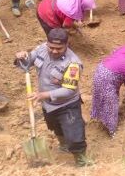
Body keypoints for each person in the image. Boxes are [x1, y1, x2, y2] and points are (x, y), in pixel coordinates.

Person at [14, 28, 92, 167]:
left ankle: (81, 160)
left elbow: (69, 90)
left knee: (74, 135)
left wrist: (44, 95)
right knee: (55, 127)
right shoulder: (42, 49)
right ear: (47, 43)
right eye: (52, 47)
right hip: (48, 105)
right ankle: (64, 145)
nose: (54, 51)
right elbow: (27, 64)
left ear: (67, 45)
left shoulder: (73, 63)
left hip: (67, 105)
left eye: (59, 48)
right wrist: (23, 57)